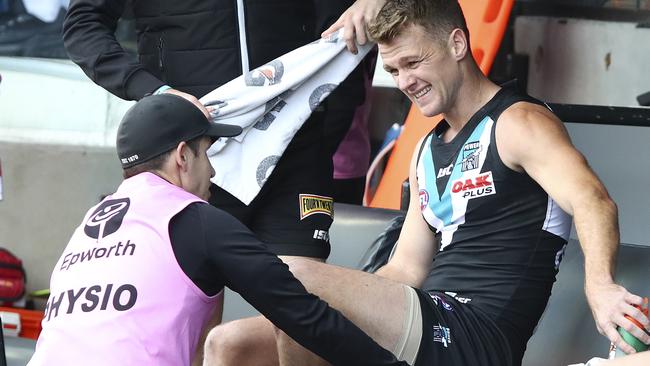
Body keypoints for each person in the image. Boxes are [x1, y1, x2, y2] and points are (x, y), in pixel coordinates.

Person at [205, 1, 650, 365]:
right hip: (426, 319)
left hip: (477, 338)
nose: (405, 82)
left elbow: (594, 200)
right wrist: (348, 300)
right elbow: (406, 270)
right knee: (229, 344)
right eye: (394, 70)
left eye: (414, 62)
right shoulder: (425, 149)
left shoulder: (519, 121)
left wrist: (600, 286)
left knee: (298, 276)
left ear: (457, 43)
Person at [62, 0, 368, 363]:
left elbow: (345, 18)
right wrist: (152, 91)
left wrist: (326, 112)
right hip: (197, 150)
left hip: (294, 141)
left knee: (304, 300)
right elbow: (82, 23)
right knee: (194, 313)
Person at [26, 93, 406, 366]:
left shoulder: (89, 224)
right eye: (207, 152)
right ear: (182, 156)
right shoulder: (196, 219)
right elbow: (301, 314)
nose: (211, 171)